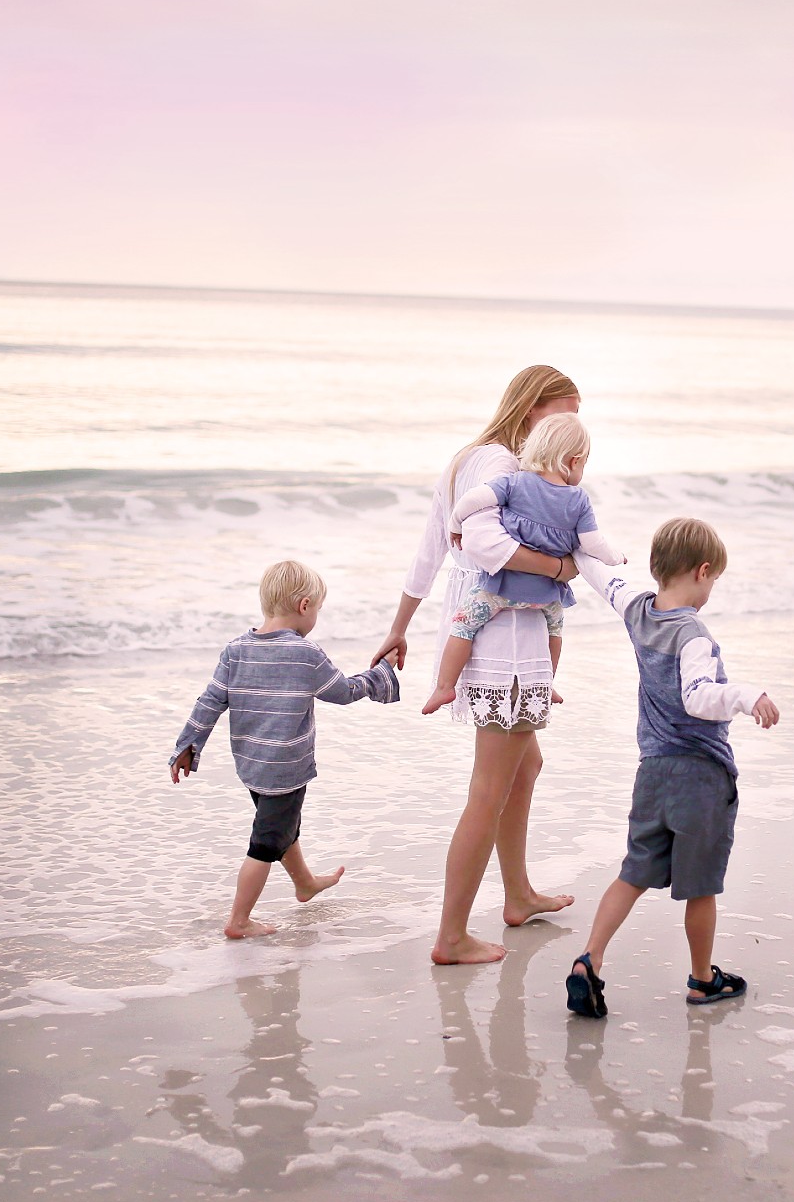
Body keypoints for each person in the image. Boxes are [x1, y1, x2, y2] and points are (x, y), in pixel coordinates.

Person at [369, 365, 582, 965]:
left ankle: (517, 894)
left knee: (525, 765)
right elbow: (485, 548)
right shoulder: (504, 466)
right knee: (489, 788)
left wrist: (400, 627)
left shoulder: (474, 457)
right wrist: (562, 568)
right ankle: (452, 936)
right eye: (563, 411)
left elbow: (431, 548)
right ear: (531, 408)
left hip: (490, 636)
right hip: (505, 644)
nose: (573, 426)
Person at [563, 518, 780, 1017]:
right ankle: (703, 980)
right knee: (700, 887)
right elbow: (699, 697)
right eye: (714, 580)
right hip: (699, 776)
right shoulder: (693, 634)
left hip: (652, 772)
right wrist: (749, 696)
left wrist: (573, 537)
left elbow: (602, 579)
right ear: (703, 572)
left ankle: (589, 961)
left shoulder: (638, 611)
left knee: (633, 873)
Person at [169, 560, 400, 939]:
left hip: (251, 763)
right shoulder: (305, 654)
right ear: (305, 606)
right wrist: (381, 673)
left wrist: (188, 746)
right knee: (265, 843)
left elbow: (210, 701)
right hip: (286, 767)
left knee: (279, 825)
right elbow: (343, 692)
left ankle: (305, 883)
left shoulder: (236, 649)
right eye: (319, 610)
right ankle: (239, 920)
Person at [423, 412, 625, 717]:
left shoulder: (514, 483)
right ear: (574, 460)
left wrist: (455, 524)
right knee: (555, 632)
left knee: (463, 624)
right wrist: (616, 557)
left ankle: (444, 686)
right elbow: (592, 544)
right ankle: (547, 683)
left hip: (502, 589)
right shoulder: (579, 500)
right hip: (547, 595)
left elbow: (472, 500)